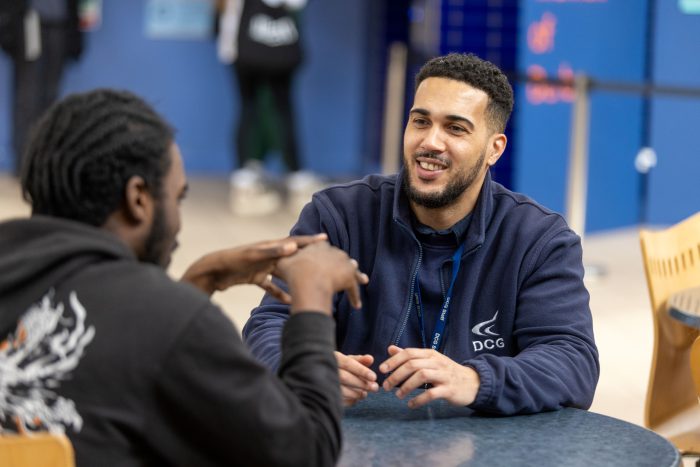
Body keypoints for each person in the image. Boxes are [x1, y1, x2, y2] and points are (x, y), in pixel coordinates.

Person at [0, 89, 368, 466]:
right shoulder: (173, 318)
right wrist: (312, 299)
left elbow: (118, 344)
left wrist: (199, 282)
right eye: (177, 198)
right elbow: (304, 453)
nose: (177, 223)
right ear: (139, 198)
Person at [243, 53, 600, 414]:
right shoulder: (338, 216)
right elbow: (271, 322)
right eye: (420, 121)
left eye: (455, 128)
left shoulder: (538, 239)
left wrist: (477, 381)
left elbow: (572, 360)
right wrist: (301, 365)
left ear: (495, 149)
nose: (430, 141)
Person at [217, 0, 321, 215]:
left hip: (239, 44)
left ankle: (250, 178)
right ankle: (280, 180)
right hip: (253, 46)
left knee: (252, 107)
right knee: (273, 108)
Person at [0, 0, 83, 174]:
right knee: (27, 96)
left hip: (61, 24)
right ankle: (24, 161)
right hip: (30, 23)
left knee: (51, 96)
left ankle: (46, 160)